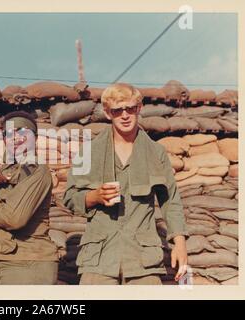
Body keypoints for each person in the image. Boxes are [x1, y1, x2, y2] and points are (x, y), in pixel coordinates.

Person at [63, 83, 188, 285]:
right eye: (117, 110)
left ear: (139, 108)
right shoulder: (87, 153)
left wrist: (180, 244)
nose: (125, 115)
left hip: (143, 261)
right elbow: (69, 197)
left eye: (130, 108)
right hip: (99, 259)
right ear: (107, 112)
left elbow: (171, 201)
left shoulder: (156, 153)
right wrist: (93, 197)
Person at [0, 111, 58, 285]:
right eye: (9, 133)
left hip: (28, 263)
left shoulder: (39, 171)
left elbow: (14, 218)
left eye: (23, 131)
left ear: (35, 137)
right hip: (3, 257)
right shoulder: (6, 169)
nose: (16, 137)